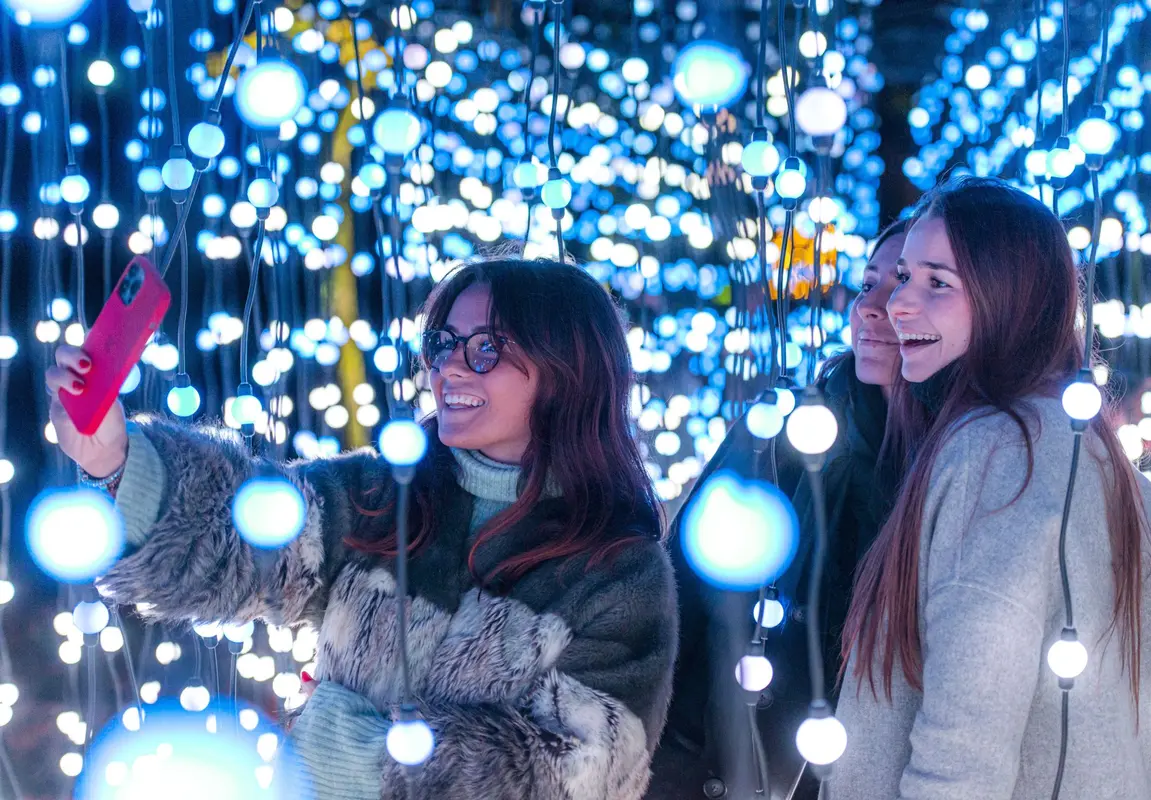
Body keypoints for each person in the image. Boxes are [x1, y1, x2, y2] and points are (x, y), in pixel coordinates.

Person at [45, 259, 678, 799]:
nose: (450, 368)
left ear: (569, 371)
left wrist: (359, 756)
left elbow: (583, 769)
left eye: (486, 348)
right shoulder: (386, 493)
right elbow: (246, 536)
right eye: (442, 343)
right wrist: (115, 457)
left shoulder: (619, 569)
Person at [830, 177, 1151, 800]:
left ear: (1010, 298)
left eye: (937, 283)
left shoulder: (997, 451)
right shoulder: (1099, 457)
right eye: (902, 278)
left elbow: (964, 746)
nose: (899, 304)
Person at [647, 219, 909, 800]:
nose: (874, 307)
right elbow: (676, 593)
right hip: (714, 765)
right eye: (869, 284)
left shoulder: (951, 470)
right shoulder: (782, 429)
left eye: (908, 282)